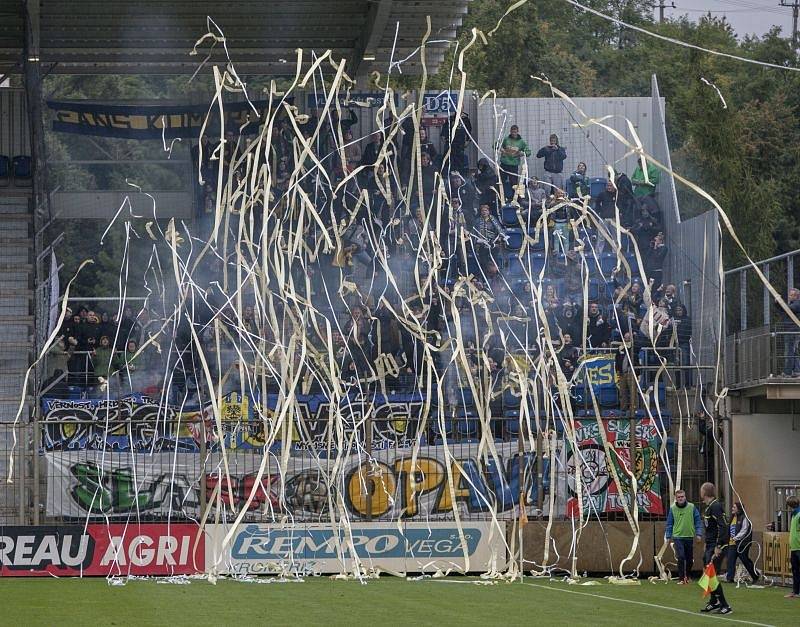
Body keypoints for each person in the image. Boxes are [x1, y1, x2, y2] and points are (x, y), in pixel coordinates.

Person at [700, 482, 732, 615]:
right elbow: (710, 528)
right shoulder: (709, 507)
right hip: (710, 545)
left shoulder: (716, 506)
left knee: (711, 575)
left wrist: (718, 546)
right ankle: (714, 601)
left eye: (701, 490)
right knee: (707, 573)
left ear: (705, 492)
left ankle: (725, 605)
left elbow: (723, 527)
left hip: (716, 546)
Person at [665, 488, 703, 584]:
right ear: (676, 498)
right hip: (678, 537)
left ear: (685, 497)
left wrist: (698, 533)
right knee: (681, 557)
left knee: (689, 559)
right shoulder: (672, 509)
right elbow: (669, 524)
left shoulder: (692, 507)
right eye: (679, 497)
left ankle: (688, 575)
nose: (681, 498)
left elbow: (698, 521)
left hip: (689, 536)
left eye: (682, 497)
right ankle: (681, 578)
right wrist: (668, 536)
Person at [724, 502, 761, 583]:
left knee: (745, 560)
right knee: (730, 560)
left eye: (734, 507)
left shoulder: (744, 518)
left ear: (739, 509)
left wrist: (736, 538)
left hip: (742, 544)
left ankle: (755, 575)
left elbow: (744, 530)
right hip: (732, 543)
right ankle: (729, 578)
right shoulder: (732, 518)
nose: (732, 509)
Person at [499, 125, 531, 200]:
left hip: (514, 166)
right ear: (510, 131)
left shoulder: (521, 142)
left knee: (514, 184)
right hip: (504, 164)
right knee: (501, 182)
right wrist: (501, 149)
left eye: (515, 132)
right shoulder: (506, 139)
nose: (514, 133)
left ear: (517, 132)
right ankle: (501, 198)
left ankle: (514, 199)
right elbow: (495, 145)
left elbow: (529, 152)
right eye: (512, 131)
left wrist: (522, 153)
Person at [782, 288, 800, 376]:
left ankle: (788, 372)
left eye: (791, 295)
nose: (789, 296)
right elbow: (783, 309)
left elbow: (789, 308)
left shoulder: (797, 304)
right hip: (791, 331)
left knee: (789, 351)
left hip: (793, 331)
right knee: (794, 351)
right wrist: (777, 303)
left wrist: (780, 302)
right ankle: (797, 370)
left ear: (796, 296)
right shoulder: (792, 304)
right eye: (789, 295)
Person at [787, 495, 800, 599]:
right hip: (794, 547)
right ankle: (796, 591)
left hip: (798, 547)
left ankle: (797, 591)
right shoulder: (794, 514)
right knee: (795, 570)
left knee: (797, 570)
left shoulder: (798, 514)